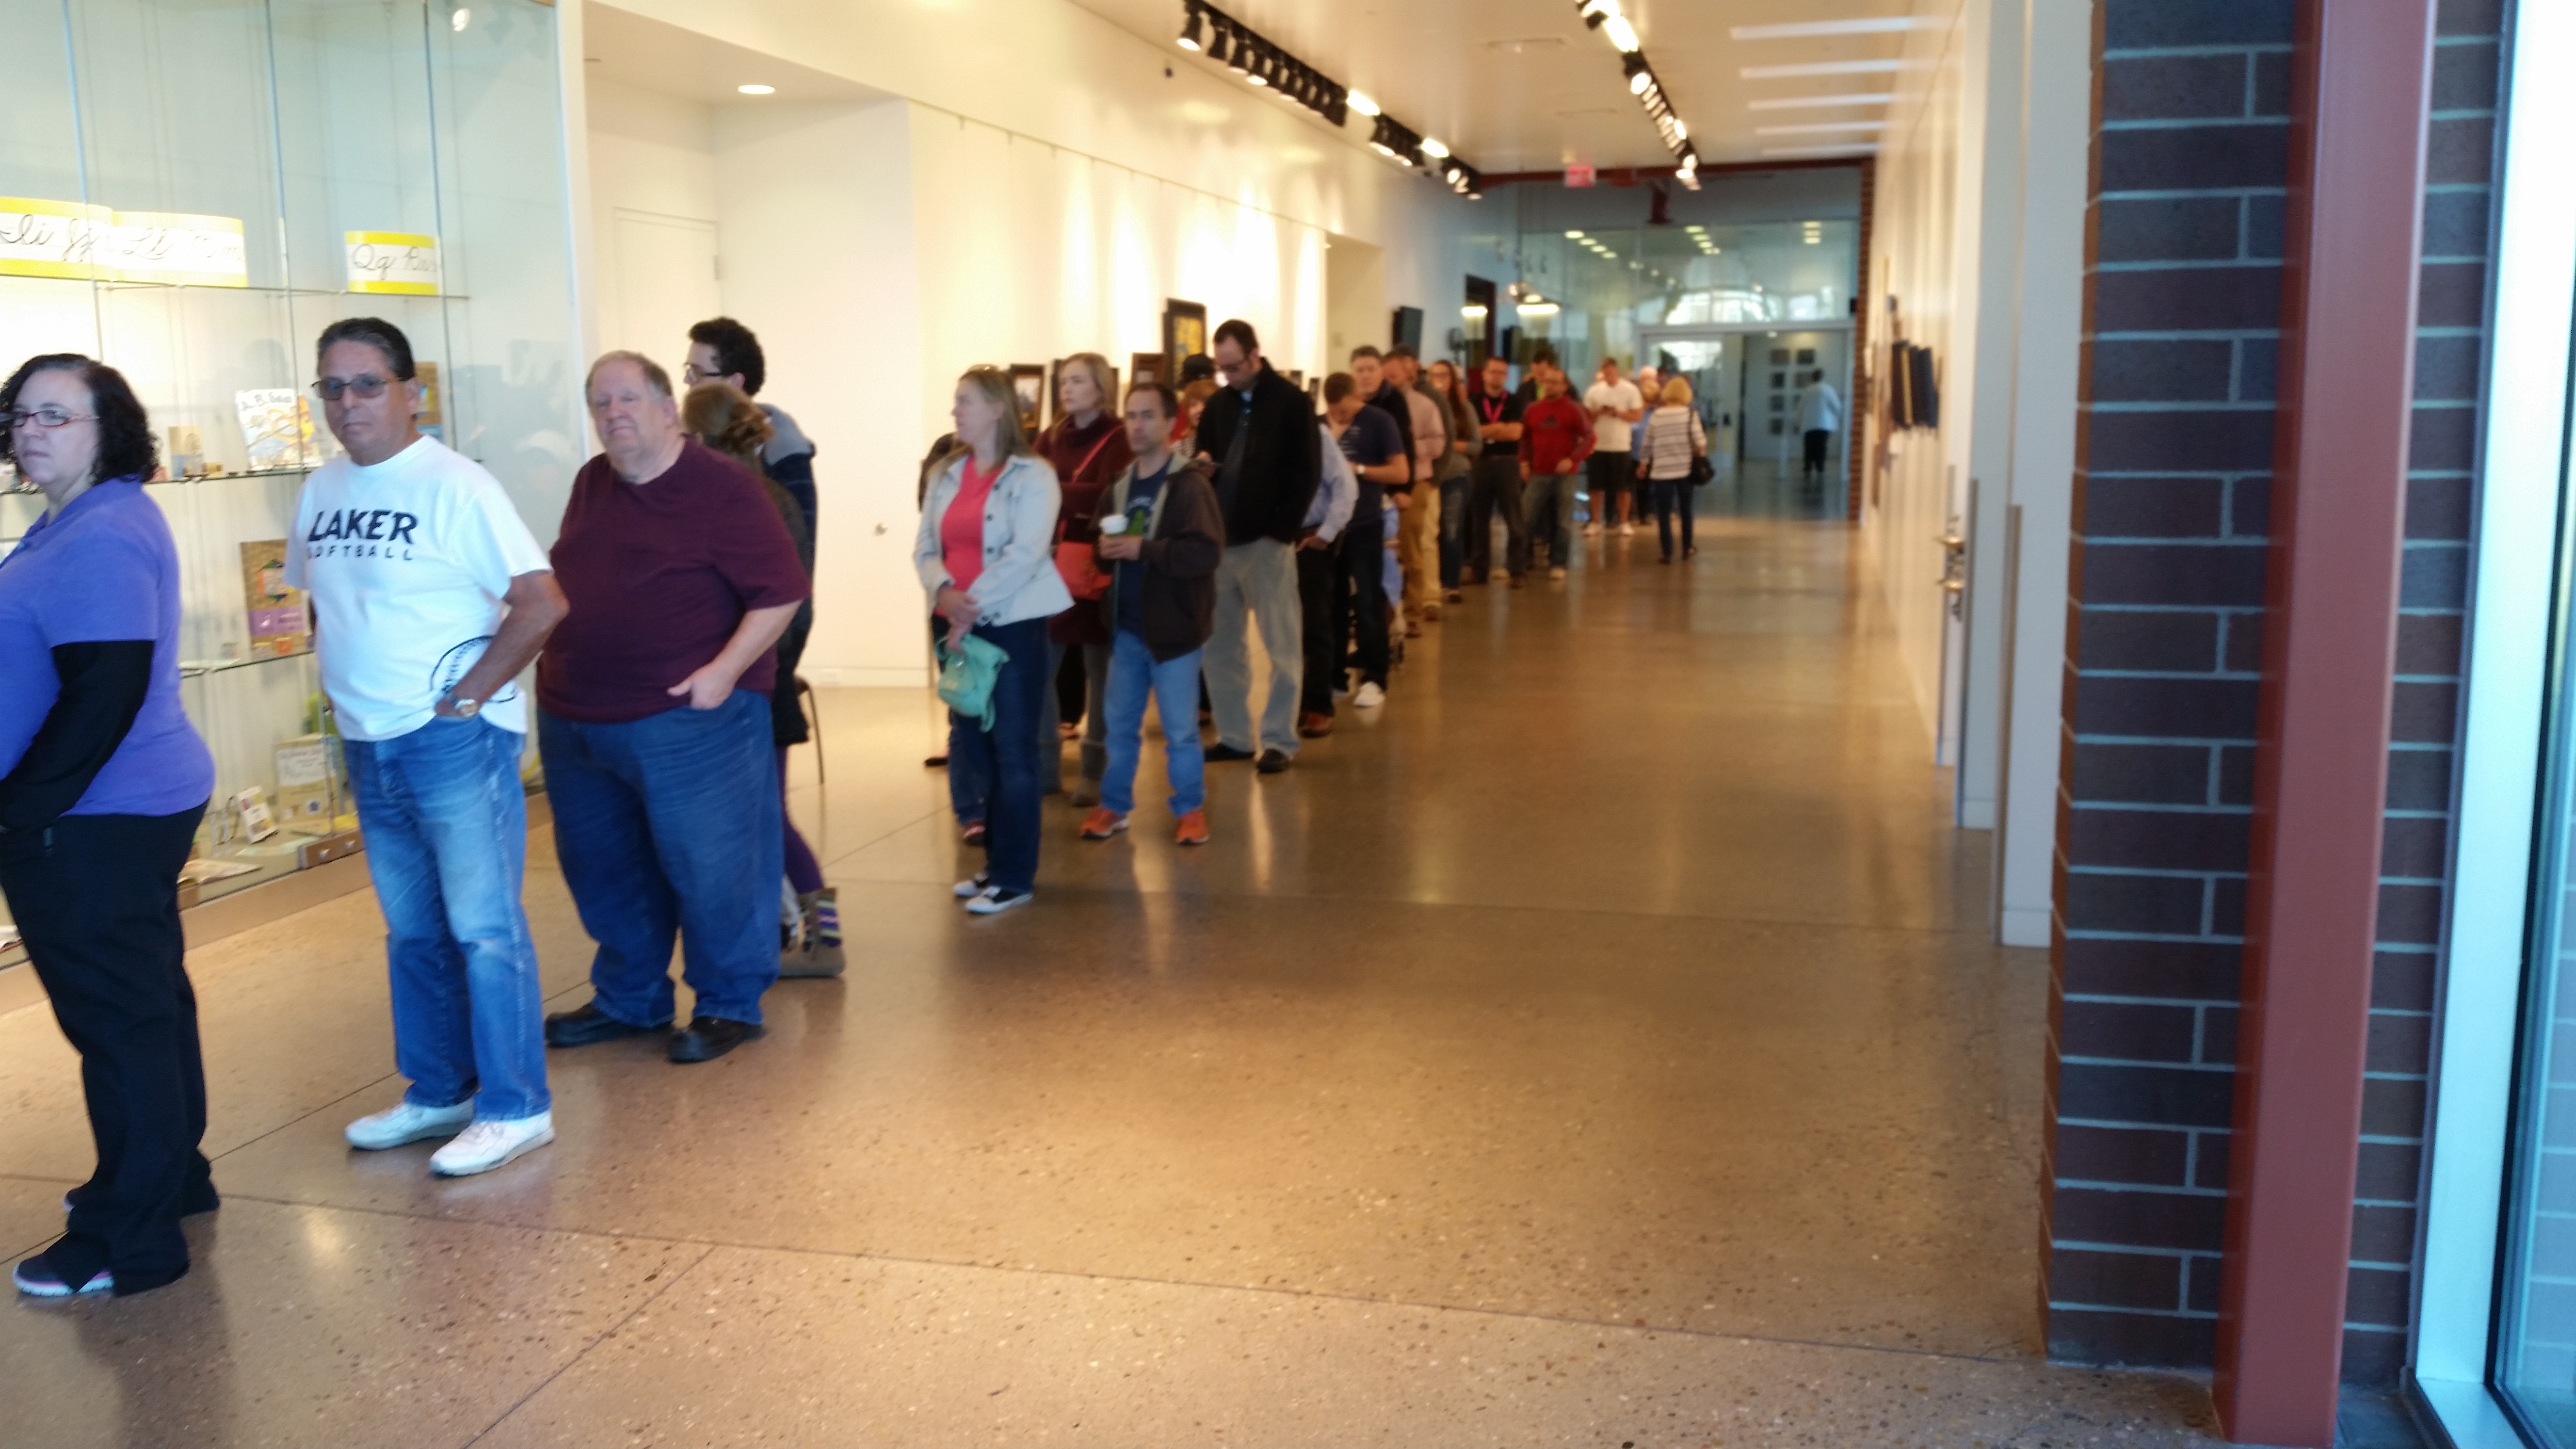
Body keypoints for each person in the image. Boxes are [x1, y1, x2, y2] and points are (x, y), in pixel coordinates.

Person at [291, 319, 569, 1178]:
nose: (348, 404)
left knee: (484, 928)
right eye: (332, 388)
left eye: (366, 385)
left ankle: (517, 1105)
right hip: (368, 742)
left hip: (451, 740)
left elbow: (541, 602)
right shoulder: (320, 490)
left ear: (412, 393)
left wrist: (469, 696)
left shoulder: (459, 485)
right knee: (412, 930)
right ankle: (440, 1088)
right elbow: (322, 605)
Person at [0, 355, 217, 1298]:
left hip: (94, 816)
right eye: (20, 415)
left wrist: (20, 813)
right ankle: (176, 1179)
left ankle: (132, 1239)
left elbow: (105, 694)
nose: (31, 430)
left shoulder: (100, 534)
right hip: (115, 807)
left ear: (108, 428)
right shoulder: (83, 518)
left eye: (57, 414)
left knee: (117, 1020)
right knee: (146, 1002)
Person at [539, 353, 807, 1063]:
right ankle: (631, 1001)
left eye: (628, 398)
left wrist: (724, 672)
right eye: (600, 402)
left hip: (691, 720)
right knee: (605, 869)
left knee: (715, 867)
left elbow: (781, 591)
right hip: (580, 719)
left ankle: (729, 1003)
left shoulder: (723, 488)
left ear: (667, 406)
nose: (613, 413)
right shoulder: (592, 482)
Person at [683, 382, 840, 978]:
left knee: (764, 819)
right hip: (762, 684)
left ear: (696, 439)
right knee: (758, 818)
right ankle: (778, 936)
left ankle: (823, 938)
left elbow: (780, 603)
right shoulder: (772, 494)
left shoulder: (732, 500)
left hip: (750, 690)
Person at [915, 367, 1072, 914]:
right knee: (976, 748)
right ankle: (993, 867)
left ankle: (1014, 875)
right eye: (955, 400)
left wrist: (968, 607)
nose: (954, 411)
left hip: (1009, 625)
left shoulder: (1034, 477)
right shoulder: (945, 473)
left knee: (1013, 751)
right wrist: (944, 594)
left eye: (964, 401)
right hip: (955, 621)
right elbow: (924, 548)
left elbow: (1025, 555)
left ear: (997, 410)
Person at [1080, 382, 1222, 846]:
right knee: (1120, 727)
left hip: (1176, 631)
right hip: (1127, 628)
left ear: (1169, 423)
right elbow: (1103, 557)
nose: (1136, 426)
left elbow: (1204, 553)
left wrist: (1145, 549)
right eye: (1131, 416)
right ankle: (1114, 806)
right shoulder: (1119, 487)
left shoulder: (1189, 486)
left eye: (1146, 416)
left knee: (1180, 731)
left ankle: (1190, 809)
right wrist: (1106, 551)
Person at [1190, 320, 1319, 775]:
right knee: (1221, 645)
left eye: (1236, 366)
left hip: (1267, 541)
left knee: (1282, 644)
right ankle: (1234, 735)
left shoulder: (1290, 402)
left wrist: (1281, 530)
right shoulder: (1219, 406)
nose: (1230, 376)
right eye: (1223, 369)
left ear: (1255, 355)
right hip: (1222, 540)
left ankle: (1281, 739)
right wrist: (1203, 467)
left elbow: (1307, 470)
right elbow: (1207, 454)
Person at [1033, 354, 1131, 807]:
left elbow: (1114, 495)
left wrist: (1059, 493)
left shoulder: (1118, 437)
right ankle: (1045, 769)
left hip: (1096, 565)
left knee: (1101, 674)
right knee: (1042, 672)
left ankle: (1095, 772)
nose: (1067, 390)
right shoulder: (1051, 437)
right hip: (1051, 566)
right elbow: (1031, 487)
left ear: (1100, 388)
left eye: (1078, 381)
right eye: (1064, 382)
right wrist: (1071, 496)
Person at [686, 318, 818, 540]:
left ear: (734, 382)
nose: (688, 381)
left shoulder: (785, 451)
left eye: (698, 373)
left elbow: (801, 552)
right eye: (689, 370)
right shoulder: (692, 444)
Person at [1324, 370, 1404, 712]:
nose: (1340, 420)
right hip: (1327, 529)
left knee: (1369, 603)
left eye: (1345, 413)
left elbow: (1401, 473)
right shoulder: (1318, 426)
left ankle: (1375, 677)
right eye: (1334, 414)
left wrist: (1356, 469)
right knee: (1331, 606)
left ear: (1356, 398)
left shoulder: (1379, 421)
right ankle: (1334, 677)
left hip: (1366, 523)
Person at [1293, 401, 1360, 740]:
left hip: (1312, 539)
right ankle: (1299, 702)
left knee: (1315, 623)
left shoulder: (1316, 436)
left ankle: (1319, 705)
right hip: (1277, 542)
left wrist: (1325, 536)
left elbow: (1346, 489)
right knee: (1286, 629)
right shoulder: (1263, 438)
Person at [1387, 346, 1448, 631]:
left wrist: (1407, 449)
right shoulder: (1375, 408)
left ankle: (1414, 610)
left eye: (1395, 374)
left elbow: (1438, 444)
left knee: (1413, 546)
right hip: (1384, 484)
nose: (1391, 380)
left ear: (1407, 372)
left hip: (1418, 483)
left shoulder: (1425, 405)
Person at [1520, 368, 1594, 582]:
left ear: (1564, 386)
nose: (1550, 385)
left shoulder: (1574, 410)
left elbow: (1589, 436)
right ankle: (1521, 560)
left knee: (1563, 521)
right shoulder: (1532, 409)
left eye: (1555, 382)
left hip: (1566, 474)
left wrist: (1573, 459)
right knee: (1526, 517)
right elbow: (1524, 438)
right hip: (1538, 472)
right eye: (1547, 381)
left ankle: (1559, 562)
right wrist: (1524, 462)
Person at [1465, 355, 1529, 588]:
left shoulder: (1514, 401)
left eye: (1502, 373)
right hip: (1480, 463)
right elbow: (1470, 434)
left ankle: (1517, 571)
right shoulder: (1472, 402)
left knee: (1514, 518)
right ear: (1484, 374)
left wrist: (1485, 431)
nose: (1497, 376)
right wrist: (1498, 428)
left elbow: (1515, 433)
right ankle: (1479, 571)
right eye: (1493, 372)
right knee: (1478, 519)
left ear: (1506, 376)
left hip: (1507, 463)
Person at [1636, 375, 1709, 564]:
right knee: (1686, 510)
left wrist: (1643, 464)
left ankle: (1667, 552)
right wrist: (1699, 455)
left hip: (1661, 471)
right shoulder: (1690, 414)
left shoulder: (1656, 415)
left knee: (1663, 513)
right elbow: (1700, 443)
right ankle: (1687, 548)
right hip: (1685, 470)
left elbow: (1647, 443)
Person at [1425, 359, 1477, 606]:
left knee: (1452, 530)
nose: (1440, 379)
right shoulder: (1425, 406)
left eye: (1445, 375)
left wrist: (1454, 446)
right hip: (1429, 476)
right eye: (1435, 375)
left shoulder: (1464, 408)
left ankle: (1452, 584)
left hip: (1456, 474)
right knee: (1429, 534)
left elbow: (1477, 445)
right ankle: (1431, 584)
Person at [1584, 357, 1645, 535]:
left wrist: (1618, 413)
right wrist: (1598, 412)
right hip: (1598, 445)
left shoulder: (1630, 390)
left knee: (1623, 487)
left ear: (1617, 371)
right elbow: (1586, 418)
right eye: (1606, 373)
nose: (1609, 376)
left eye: (1612, 373)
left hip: (1621, 446)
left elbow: (1637, 416)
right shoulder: (1594, 391)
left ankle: (1624, 522)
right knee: (1595, 487)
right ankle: (1595, 522)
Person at [1796, 373, 1844, 487]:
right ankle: (1820, 467)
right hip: (1824, 424)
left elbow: (1801, 407)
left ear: (1813, 378)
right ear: (1822, 377)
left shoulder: (1807, 391)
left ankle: (1808, 467)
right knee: (1821, 446)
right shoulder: (1828, 390)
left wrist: (1798, 421)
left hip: (1809, 423)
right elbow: (1837, 407)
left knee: (1809, 446)